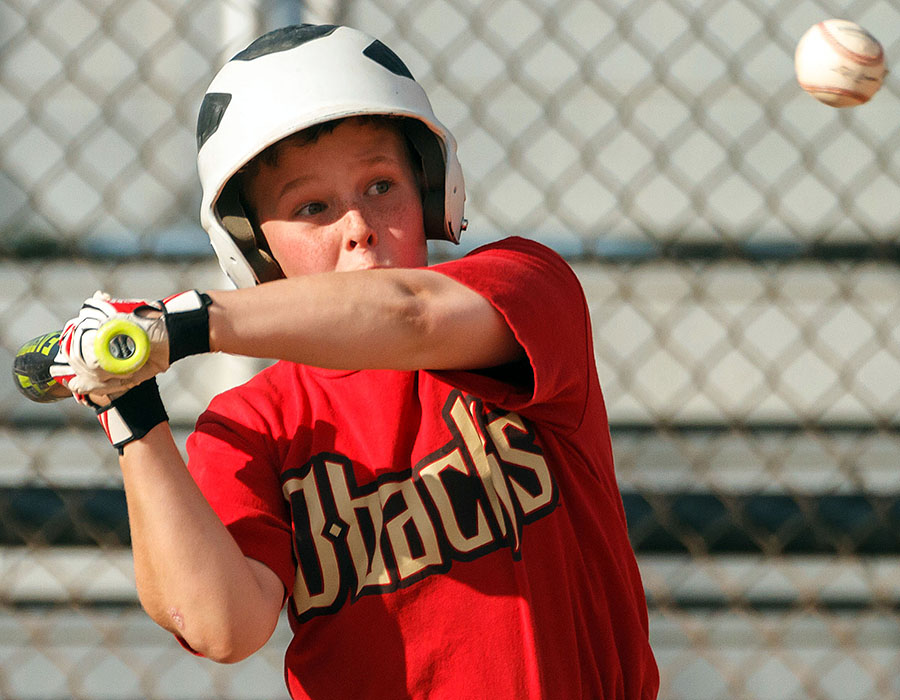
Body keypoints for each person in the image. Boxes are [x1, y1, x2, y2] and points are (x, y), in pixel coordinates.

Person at [52, 24, 659, 700]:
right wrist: (128, 409)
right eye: (312, 207)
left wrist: (187, 324)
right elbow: (223, 624)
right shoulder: (254, 423)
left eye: (380, 185)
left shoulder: (523, 289)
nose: (357, 225)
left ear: (430, 191)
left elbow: (411, 315)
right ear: (256, 251)